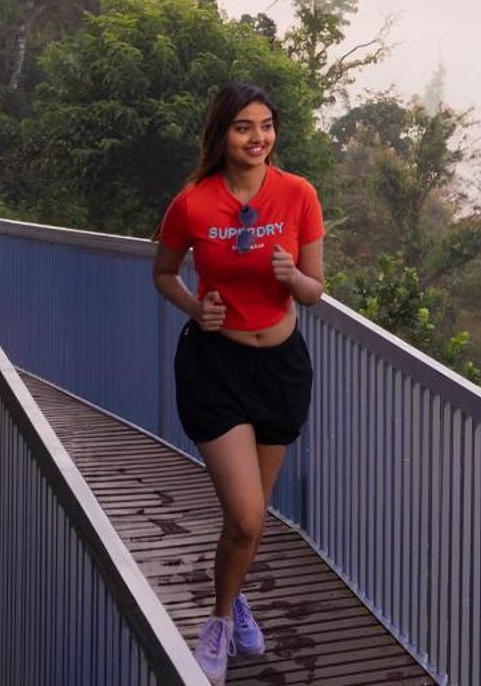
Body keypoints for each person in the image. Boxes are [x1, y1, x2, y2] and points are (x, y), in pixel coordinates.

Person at [153, 81, 325, 683]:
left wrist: (291, 276)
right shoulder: (193, 204)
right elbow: (166, 273)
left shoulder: (299, 194)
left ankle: (235, 593)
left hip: (280, 371)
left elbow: (315, 289)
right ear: (222, 135)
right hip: (215, 368)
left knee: (247, 521)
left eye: (267, 126)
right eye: (244, 127)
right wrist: (196, 310)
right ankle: (219, 621)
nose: (259, 138)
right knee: (247, 516)